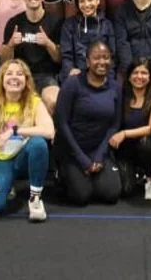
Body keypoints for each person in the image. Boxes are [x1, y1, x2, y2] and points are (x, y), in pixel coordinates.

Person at [0, 59, 53, 219]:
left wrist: (14, 131)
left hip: (24, 158)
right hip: (1, 160)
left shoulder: (34, 102)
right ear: (1, 80)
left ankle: (35, 198)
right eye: (9, 74)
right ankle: (8, 185)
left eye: (19, 74)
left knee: (38, 144)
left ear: (26, 80)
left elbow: (49, 131)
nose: (14, 77)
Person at [54, 42, 122, 206]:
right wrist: (82, 159)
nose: (102, 62)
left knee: (112, 194)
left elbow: (114, 124)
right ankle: (62, 173)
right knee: (81, 196)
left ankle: (91, 176)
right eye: (96, 58)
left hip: (98, 149)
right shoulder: (72, 84)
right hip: (72, 149)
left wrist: (100, 155)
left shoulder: (115, 87)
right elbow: (61, 122)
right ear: (87, 61)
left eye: (106, 57)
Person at [0, 0, 62, 114]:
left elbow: (59, 58)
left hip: (46, 75)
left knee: (53, 101)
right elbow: (4, 61)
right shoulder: (13, 23)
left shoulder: (55, 22)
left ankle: (50, 128)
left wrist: (48, 43)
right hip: (20, 75)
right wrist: (10, 45)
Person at [110, 58, 151, 199]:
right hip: (125, 150)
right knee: (126, 190)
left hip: (147, 147)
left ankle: (150, 179)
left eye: (144, 73)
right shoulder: (121, 95)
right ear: (128, 76)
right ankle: (135, 173)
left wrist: (124, 133)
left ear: (150, 77)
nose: (139, 76)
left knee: (145, 142)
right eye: (135, 72)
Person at [59, 0, 116, 84]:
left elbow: (112, 56)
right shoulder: (69, 24)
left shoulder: (107, 25)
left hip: (101, 75)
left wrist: (108, 78)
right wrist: (70, 70)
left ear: (98, 0)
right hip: (76, 75)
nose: (86, 5)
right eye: (82, 1)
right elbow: (66, 55)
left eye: (90, 0)